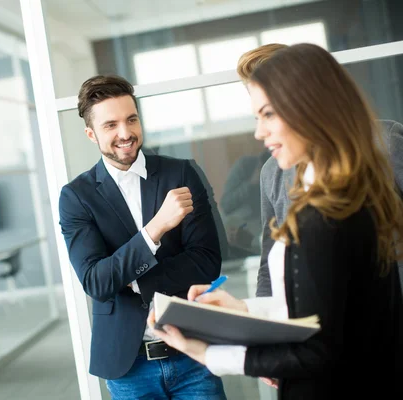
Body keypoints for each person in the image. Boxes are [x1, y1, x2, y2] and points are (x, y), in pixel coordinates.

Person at [147, 43, 403, 399]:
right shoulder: (333, 196)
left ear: (306, 106)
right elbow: (314, 304)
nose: (258, 132)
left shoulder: (325, 213)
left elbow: (318, 346)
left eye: (268, 114)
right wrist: (243, 311)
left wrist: (205, 351)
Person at [59, 74, 226, 399]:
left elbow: (207, 262)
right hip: (128, 365)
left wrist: (132, 281)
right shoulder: (76, 197)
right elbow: (96, 281)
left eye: (131, 119)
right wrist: (156, 228)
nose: (125, 133)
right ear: (91, 134)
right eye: (111, 125)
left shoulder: (181, 173)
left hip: (192, 353)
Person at [237, 44, 403, 298]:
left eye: (269, 113)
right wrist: (254, 321)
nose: (260, 132)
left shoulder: (386, 141)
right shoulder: (272, 172)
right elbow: (269, 267)